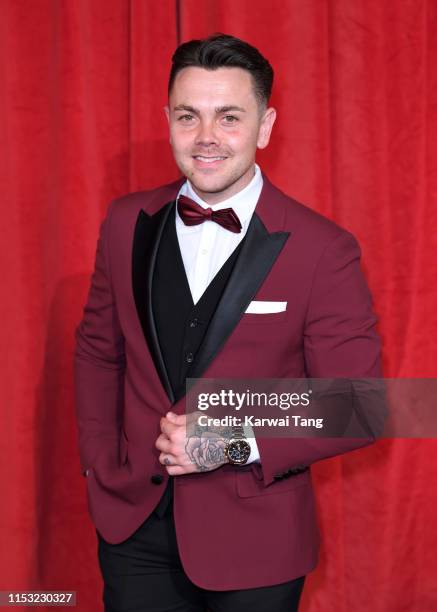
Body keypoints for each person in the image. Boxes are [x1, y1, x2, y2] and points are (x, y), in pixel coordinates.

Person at [74, 33, 382, 612]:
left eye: (229, 117)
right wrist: (98, 461)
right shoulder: (124, 222)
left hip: (257, 540)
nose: (206, 138)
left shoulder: (323, 248)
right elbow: (97, 349)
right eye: (189, 116)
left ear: (265, 126)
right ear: (167, 119)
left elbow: (361, 403)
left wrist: (230, 440)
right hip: (133, 529)